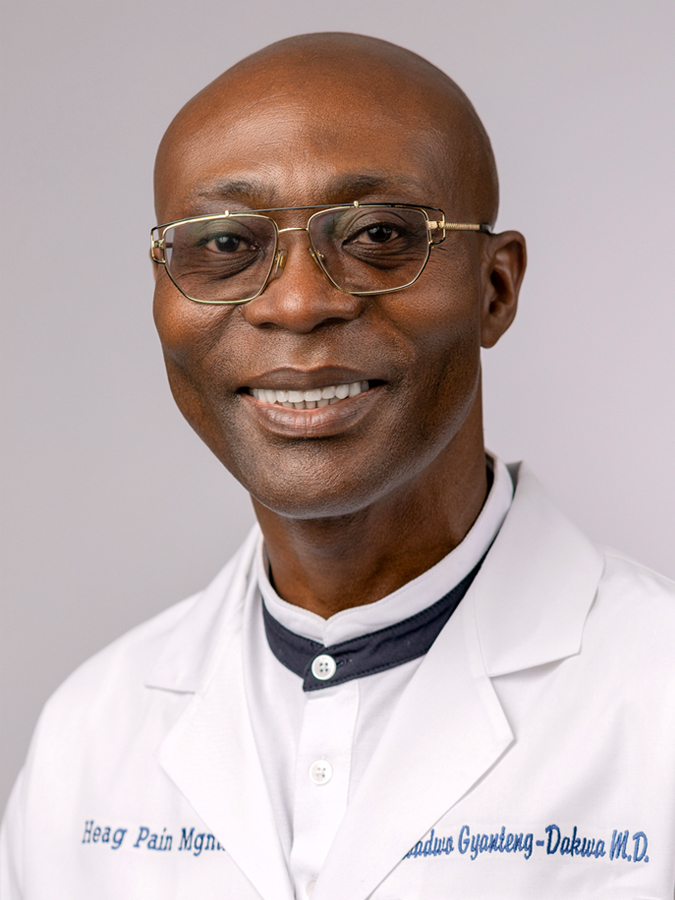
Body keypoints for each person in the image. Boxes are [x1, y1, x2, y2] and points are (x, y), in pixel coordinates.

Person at [2, 31, 674, 900]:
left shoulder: (654, 698)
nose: (295, 302)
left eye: (378, 234)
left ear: (495, 288)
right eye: (224, 244)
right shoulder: (90, 737)